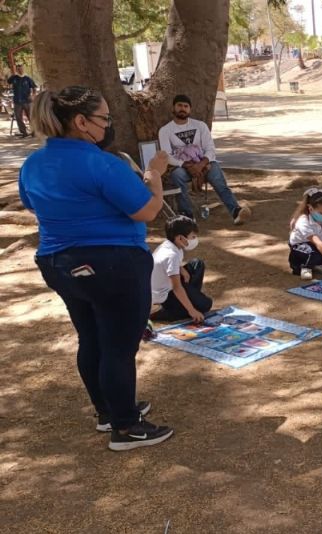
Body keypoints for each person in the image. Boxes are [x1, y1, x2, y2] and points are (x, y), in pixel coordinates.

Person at [19, 85, 173, 450]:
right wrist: (155, 177)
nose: (108, 125)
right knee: (119, 346)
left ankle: (108, 411)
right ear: (81, 122)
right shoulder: (101, 162)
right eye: (104, 118)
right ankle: (126, 426)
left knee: (91, 337)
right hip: (112, 264)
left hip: (58, 263)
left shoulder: (33, 163)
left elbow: (32, 204)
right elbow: (148, 211)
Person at [158, 94, 251, 225]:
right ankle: (187, 216)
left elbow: (210, 149)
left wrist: (201, 164)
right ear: (173, 108)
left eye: (186, 106)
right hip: (183, 167)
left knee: (218, 179)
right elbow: (167, 156)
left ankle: (235, 211)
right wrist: (188, 166)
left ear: (190, 109)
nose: (182, 109)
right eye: (179, 105)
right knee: (177, 176)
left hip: (204, 164)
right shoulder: (165, 130)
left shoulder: (200, 126)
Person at [151, 216, 213, 322]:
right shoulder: (171, 255)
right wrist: (192, 310)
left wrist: (181, 268)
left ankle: (189, 301)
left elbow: (172, 267)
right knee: (206, 304)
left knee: (197, 264)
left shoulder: (171, 245)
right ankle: (166, 312)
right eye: (192, 237)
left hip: (168, 284)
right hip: (165, 296)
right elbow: (176, 288)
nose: (194, 239)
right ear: (180, 238)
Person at [7, 64, 37, 138]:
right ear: (17, 70)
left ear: (23, 69)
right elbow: (8, 82)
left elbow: (34, 87)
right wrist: (13, 73)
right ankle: (24, 133)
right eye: (18, 69)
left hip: (27, 101)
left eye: (21, 68)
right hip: (17, 101)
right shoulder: (14, 78)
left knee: (31, 117)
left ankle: (34, 132)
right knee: (18, 117)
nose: (20, 70)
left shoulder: (27, 78)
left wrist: (33, 95)